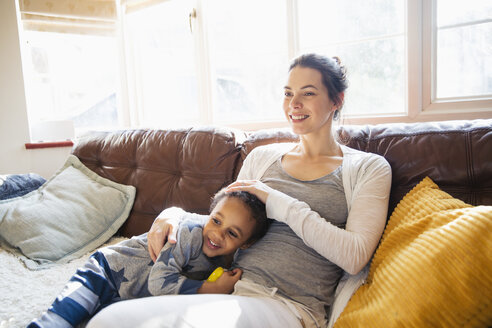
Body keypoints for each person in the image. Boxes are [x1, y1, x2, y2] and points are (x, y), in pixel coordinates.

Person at [86, 53, 392, 328]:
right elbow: (223, 224)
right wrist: (173, 214)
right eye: (288, 94)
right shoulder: (262, 158)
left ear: (336, 100)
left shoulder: (368, 169)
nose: (293, 104)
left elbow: (354, 258)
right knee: (107, 319)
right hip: (227, 289)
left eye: (307, 94)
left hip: (286, 305)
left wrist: (278, 203)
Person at [28, 190, 270, 328]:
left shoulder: (229, 262)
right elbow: (159, 282)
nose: (217, 233)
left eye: (232, 233)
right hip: (105, 272)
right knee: (59, 320)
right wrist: (209, 288)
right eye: (216, 220)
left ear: (245, 244)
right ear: (208, 214)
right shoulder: (188, 233)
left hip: (130, 295)